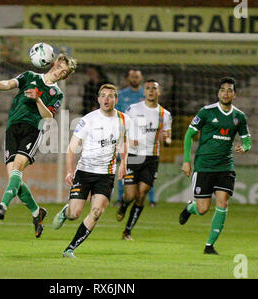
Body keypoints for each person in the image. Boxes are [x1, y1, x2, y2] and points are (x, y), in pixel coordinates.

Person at [0, 54, 77, 238]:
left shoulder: (57, 94)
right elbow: (8, 84)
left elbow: (48, 117)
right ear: (54, 64)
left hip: (33, 129)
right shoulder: (30, 76)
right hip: (12, 128)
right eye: (60, 67)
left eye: (64, 72)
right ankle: (36, 212)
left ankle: (2, 206)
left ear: (65, 76)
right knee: (14, 178)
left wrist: (38, 99)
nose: (60, 72)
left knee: (17, 169)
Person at [52, 84, 129, 258]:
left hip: (106, 175)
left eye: (110, 96)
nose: (106, 99)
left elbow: (124, 142)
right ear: (98, 99)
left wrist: (124, 162)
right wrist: (70, 172)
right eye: (103, 95)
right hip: (85, 171)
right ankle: (66, 211)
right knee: (75, 214)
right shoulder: (88, 120)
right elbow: (71, 148)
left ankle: (70, 249)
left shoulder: (124, 120)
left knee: (96, 212)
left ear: (116, 99)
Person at [178, 77, 252, 255]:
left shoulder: (239, 117)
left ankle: (209, 246)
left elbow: (247, 139)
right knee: (202, 209)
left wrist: (245, 147)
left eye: (229, 90)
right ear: (218, 93)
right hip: (204, 166)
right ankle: (190, 207)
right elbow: (188, 135)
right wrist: (186, 160)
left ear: (235, 94)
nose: (226, 93)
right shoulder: (206, 112)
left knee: (223, 202)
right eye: (223, 90)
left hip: (226, 166)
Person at [116, 79, 172, 240]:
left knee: (142, 195)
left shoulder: (164, 115)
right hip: (134, 156)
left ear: (158, 92)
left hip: (152, 158)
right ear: (144, 92)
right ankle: (124, 205)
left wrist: (166, 140)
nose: (151, 91)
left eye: (154, 88)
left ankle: (127, 231)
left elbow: (167, 137)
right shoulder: (133, 109)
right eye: (148, 88)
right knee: (130, 194)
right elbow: (122, 127)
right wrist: (129, 138)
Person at [115, 69, 157, 207]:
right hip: (128, 137)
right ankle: (122, 198)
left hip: (146, 138)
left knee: (147, 169)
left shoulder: (145, 94)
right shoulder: (121, 95)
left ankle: (151, 200)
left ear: (141, 78)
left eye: (137, 77)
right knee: (124, 165)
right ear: (128, 78)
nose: (134, 79)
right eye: (132, 76)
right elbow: (118, 116)